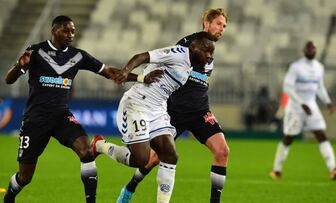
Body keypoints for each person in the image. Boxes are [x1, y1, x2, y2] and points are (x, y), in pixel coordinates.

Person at [3, 15, 162, 203]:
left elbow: (109, 72)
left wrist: (142, 78)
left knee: (86, 151)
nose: (71, 34)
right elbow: (9, 80)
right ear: (54, 30)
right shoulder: (36, 51)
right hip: (35, 119)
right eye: (66, 30)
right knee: (25, 176)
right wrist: (19, 66)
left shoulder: (78, 56)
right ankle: (10, 196)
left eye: (73, 31)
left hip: (61, 116)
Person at [112, 8, 229, 203]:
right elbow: (161, 68)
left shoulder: (208, 53)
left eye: (224, 26)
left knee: (222, 151)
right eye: (218, 24)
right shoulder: (187, 46)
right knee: (154, 158)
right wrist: (141, 78)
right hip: (175, 111)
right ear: (206, 23)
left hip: (200, 111)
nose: (221, 29)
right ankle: (130, 188)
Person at [91, 32, 216, 203]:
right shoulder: (178, 53)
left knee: (170, 155)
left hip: (157, 110)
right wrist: (127, 71)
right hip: (137, 105)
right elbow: (142, 56)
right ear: (193, 48)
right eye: (205, 51)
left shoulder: (192, 67)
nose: (208, 56)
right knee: (141, 159)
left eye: (211, 53)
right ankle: (100, 146)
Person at [269, 41, 336, 180]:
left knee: (321, 135)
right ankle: (276, 170)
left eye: (313, 48)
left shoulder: (319, 67)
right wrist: (301, 102)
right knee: (288, 138)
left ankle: (333, 169)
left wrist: (328, 101)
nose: (311, 50)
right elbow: (287, 87)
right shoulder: (296, 67)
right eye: (309, 48)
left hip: (312, 106)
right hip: (295, 108)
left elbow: (320, 87)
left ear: (316, 50)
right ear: (304, 50)